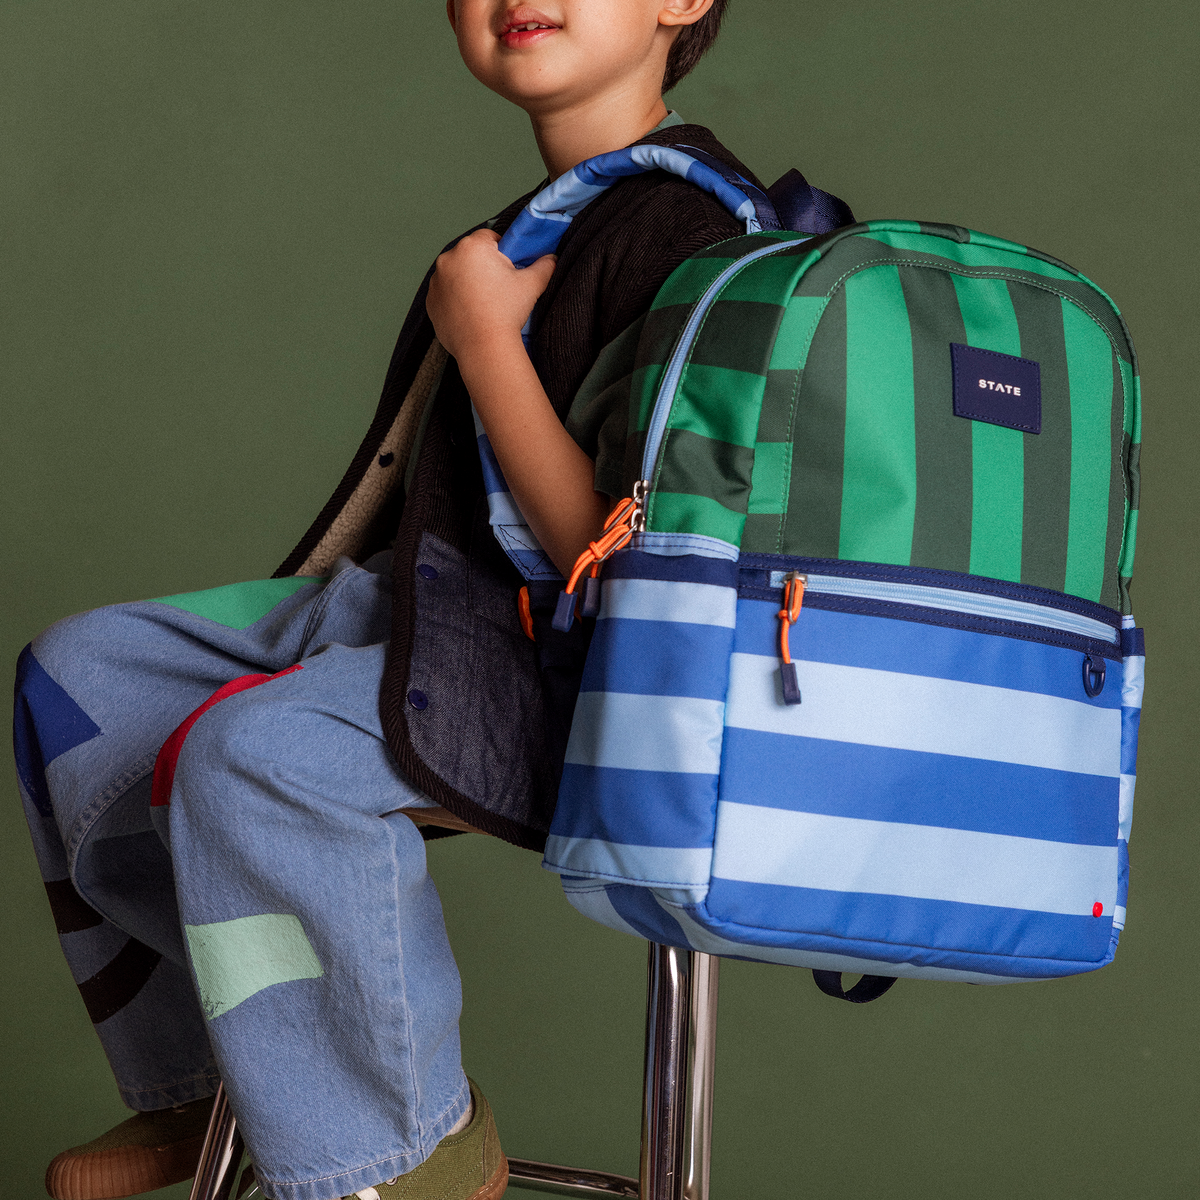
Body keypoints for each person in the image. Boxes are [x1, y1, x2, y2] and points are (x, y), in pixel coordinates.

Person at [14, 3, 771, 1199]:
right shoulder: (533, 228)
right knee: (85, 675)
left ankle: (410, 1142)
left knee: (253, 757)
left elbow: (605, 551)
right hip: (410, 616)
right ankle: (218, 1082)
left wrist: (483, 342)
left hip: (569, 676)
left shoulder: (691, 232)